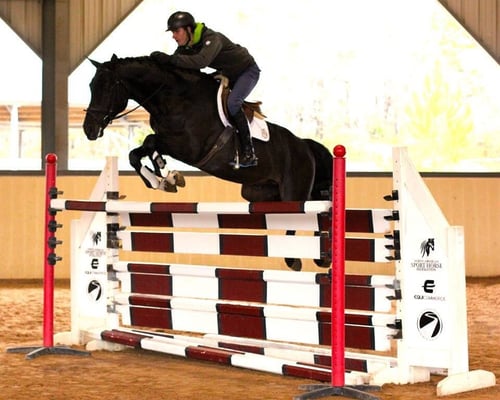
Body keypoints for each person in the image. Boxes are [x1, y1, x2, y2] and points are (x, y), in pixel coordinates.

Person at [151, 11, 260, 168]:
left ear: (188, 29)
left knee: (233, 103)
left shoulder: (212, 38)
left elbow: (200, 62)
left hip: (247, 71)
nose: (173, 36)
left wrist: (170, 59)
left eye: (176, 31)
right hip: (228, 72)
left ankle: (249, 153)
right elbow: (176, 67)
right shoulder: (186, 45)